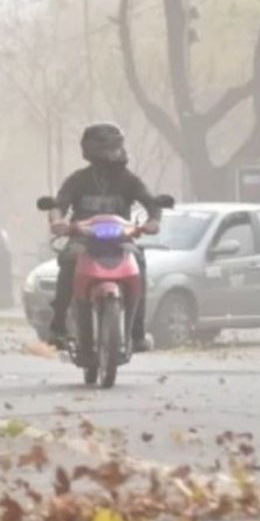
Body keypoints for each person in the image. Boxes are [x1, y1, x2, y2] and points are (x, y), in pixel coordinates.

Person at [46, 122, 162, 351]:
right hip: (83, 239)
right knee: (69, 262)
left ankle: (137, 333)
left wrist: (153, 221)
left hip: (121, 241)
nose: (117, 153)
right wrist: (57, 221)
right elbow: (58, 205)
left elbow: (152, 203)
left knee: (139, 262)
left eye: (118, 147)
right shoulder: (78, 180)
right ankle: (58, 327)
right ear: (94, 152)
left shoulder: (129, 180)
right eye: (111, 149)